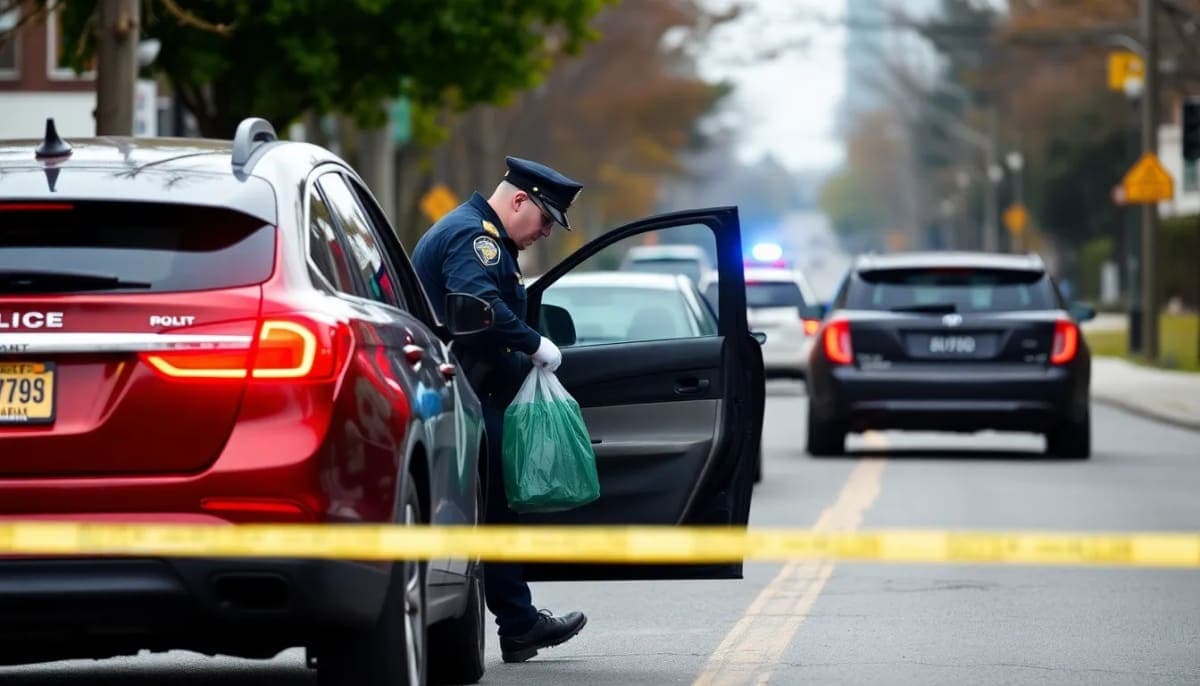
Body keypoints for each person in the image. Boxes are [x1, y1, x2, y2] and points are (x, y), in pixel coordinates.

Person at [412, 156, 587, 663]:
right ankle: (516, 622)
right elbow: (480, 305)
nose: (547, 232)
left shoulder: (480, 233)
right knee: (491, 510)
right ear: (518, 201)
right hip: (458, 395)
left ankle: (518, 622)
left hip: (464, 391)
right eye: (545, 219)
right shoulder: (476, 239)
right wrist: (536, 345)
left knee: (494, 508)